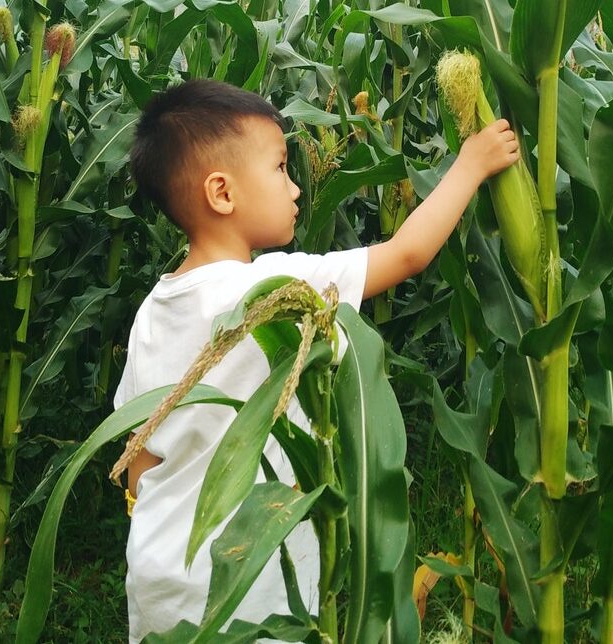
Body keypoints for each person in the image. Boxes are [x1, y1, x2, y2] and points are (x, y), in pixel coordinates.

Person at [114, 78, 519, 641]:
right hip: (250, 579)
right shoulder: (277, 289)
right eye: (280, 168)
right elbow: (406, 253)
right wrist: (471, 164)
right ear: (222, 194)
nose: (296, 187)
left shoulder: (153, 312)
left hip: (160, 576)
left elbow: (139, 457)